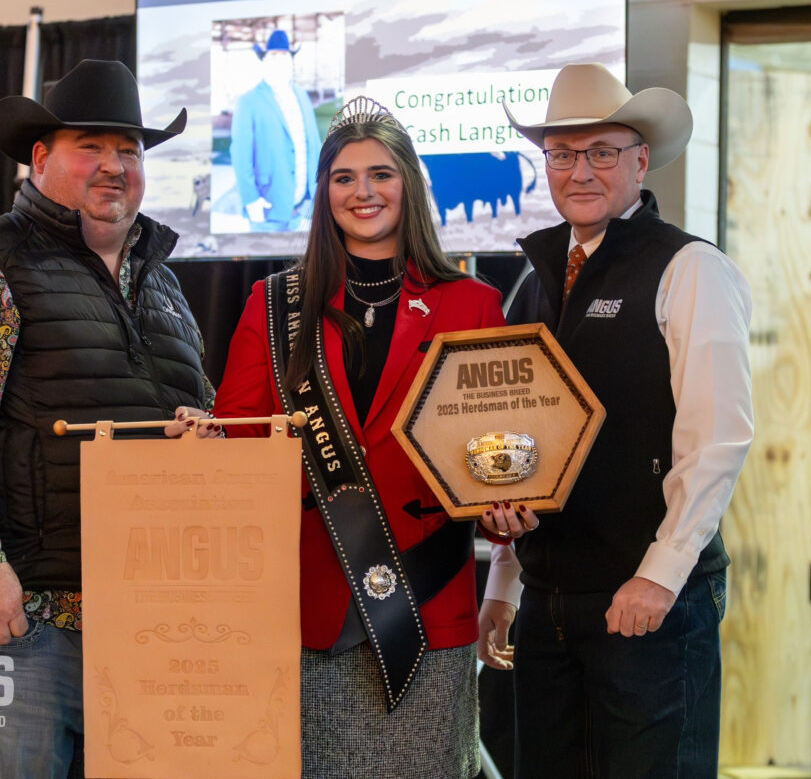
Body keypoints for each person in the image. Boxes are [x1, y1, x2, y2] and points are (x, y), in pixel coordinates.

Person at [0, 59, 221, 779]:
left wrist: (210, 440)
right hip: (14, 622)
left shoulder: (163, 285)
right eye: (92, 147)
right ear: (41, 158)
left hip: (144, 626)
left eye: (129, 151)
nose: (114, 166)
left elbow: (205, 427)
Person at [213, 95, 507, 779]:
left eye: (381, 173)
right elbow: (239, 445)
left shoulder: (474, 305)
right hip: (311, 609)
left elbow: (501, 452)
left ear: (409, 183)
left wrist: (511, 512)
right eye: (343, 177)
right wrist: (207, 444)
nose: (363, 191)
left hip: (427, 605)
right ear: (323, 196)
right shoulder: (274, 303)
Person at [478, 63, 754, 778]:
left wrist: (660, 577)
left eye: (602, 151)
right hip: (548, 605)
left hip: (646, 606)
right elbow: (519, 442)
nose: (581, 171)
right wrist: (503, 586)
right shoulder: (536, 277)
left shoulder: (690, 267)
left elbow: (717, 439)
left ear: (640, 161)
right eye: (563, 154)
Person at [229, 28, 322, 232]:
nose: (280, 61)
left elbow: (314, 144)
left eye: (285, 56)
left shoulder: (302, 96)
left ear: (291, 60)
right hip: (267, 209)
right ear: (265, 61)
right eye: (274, 56)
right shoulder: (248, 102)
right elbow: (240, 155)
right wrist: (251, 199)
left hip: (303, 208)